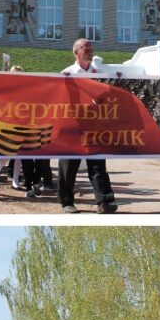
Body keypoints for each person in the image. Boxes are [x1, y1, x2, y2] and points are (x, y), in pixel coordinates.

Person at [58, 39, 117, 214]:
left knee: (98, 164)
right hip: (73, 125)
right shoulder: (66, 73)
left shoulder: (99, 73)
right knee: (69, 165)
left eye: (91, 48)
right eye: (86, 48)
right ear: (76, 52)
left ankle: (104, 201)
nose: (90, 50)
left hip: (95, 125)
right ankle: (66, 202)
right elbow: (60, 100)